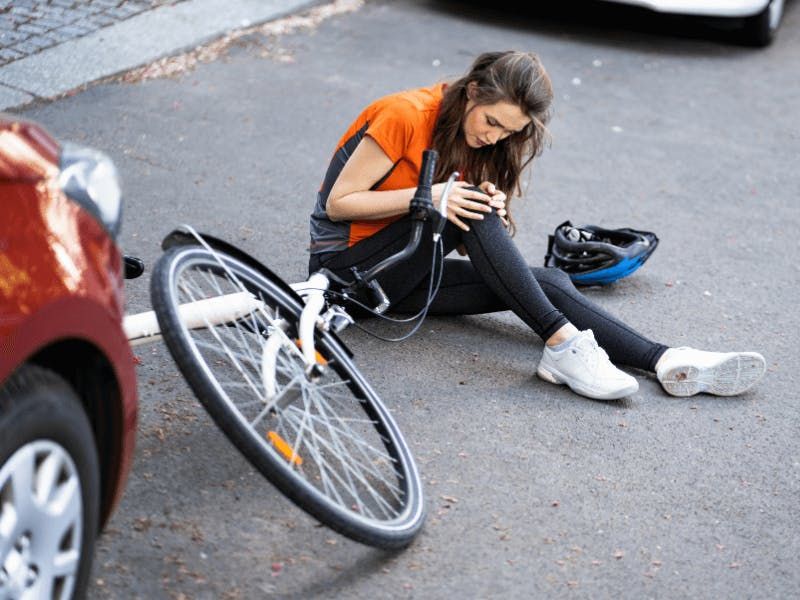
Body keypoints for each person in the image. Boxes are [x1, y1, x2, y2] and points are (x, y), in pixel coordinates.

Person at [307, 51, 766, 401]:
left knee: (548, 280)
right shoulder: (405, 114)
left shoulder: (474, 138)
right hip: (346, 278)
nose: (494, 137)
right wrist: (436, 198)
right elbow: (339, 203)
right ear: (471, 91)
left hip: (404, 281)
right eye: (491, 122)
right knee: (461, 210)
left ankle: (665, 359)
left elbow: (464, 244)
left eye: (508, 132)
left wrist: (486, 209)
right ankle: (563, 344)